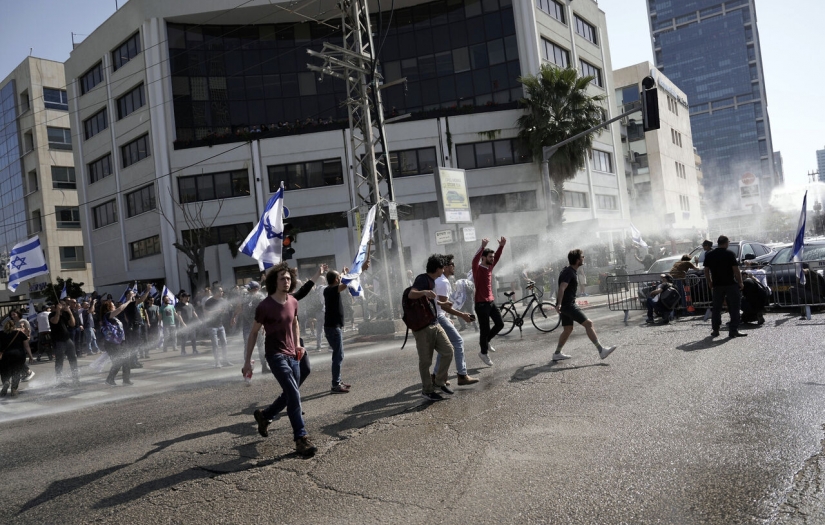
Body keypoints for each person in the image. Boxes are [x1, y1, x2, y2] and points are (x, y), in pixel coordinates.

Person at [244, 262, 317, 457]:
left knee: (291, 392)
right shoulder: (265, 306)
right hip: (275, 355)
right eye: (282, 278)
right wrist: (247, 361)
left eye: (288, 278)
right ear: (274, 282)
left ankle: (265, 415)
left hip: (293, 354)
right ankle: (301, 438)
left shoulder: (293, 301)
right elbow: (253, 333)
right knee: (293, 393)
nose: (287, 281)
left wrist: (298, 345)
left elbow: (295, 323)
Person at [552, 249, 617, 361]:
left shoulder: (569, 271)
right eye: (582, 256)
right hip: (568, 305)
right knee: (588, 324)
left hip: (566, 305)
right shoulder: (569, 272)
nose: (584, 258)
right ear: (578, 260)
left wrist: (560, 304)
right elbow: (562, 287)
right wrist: (559, 304)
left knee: (568, 329)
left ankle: (557, 353)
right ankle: (601, 350)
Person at [409, 255, 455, 401]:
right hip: (423, 327)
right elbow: (411, 294)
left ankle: (439, 382)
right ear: (437, 268)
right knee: (425, 361)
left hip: (434, 323)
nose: (444, 270)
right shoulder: (422, 279)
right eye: (443, 267)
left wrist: (443, 304)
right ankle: (427, 391)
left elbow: (431, 301)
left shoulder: (434, 280)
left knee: (448, 351)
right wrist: (424, 292)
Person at [433, 254, 478, 386]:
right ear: (445, 267)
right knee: (458, 341)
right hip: (438, 317)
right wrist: (462, 315)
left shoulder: (440, 280)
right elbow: (443, 306)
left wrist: (447, 317)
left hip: (438, 316)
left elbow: (440, 304)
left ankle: (436, 375)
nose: (454, 266)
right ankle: (462, 375)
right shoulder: (443, 282)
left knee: (445, 346)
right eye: (452, 264)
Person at [323, 263, 366, 394]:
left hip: (333, 327)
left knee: (338, 355)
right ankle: (335, 384)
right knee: (338, 356)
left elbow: (342, 281)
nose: (340, 278)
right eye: (338, 277)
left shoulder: (329, 289)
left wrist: (343, 273)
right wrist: (358, 271)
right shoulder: (331, 290)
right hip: (333, 328)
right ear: (336, 279)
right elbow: (345, 284)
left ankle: (338, 381)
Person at [472, 237, 506, 366]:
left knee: (500, 324)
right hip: (481, 304)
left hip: (491, 302)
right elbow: (474, 260)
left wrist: (501, 246)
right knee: (484, 330)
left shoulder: (490, 267)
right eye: (490, 257)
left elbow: (497, 257)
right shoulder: (477, 268)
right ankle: (483, 353)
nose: (492, 258)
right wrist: (482, 247)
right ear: (483, 258)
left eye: (493, 257)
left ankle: (486, 342)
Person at [703, 235, 746, 338]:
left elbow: (706, 270)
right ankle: (733, 330)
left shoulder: (710, 255)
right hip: (730, 284)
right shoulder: (730, 254)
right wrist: (740, 282)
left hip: (717, 285)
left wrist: (709, 281)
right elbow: (736, 269)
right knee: (734, 307)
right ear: (726, 243)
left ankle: (715, 330)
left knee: (716, 308)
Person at [233, 281, 269, 374]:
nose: (247, 290)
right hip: (247, 326)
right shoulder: (245, 297)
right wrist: (234, 316)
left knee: (261, 346)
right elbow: (240, 307)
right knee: (247, 345)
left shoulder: (261, 298)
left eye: (249, 288)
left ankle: (264, 366)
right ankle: (248, 365)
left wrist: (264, 325)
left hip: (258, 325)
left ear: (255, 289)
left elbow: (265, 312)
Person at [102, 295, 135, 386]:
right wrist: (128, 300)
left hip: (120, 342)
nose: (115, 306)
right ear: (108, 308)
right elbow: (120, 309)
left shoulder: (114, 318)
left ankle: (126, 380)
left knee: (126, 359)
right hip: (111, 344)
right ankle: (109, 379)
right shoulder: (107, 315)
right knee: (118, 361)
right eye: (113, 305)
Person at [50, 299, 80, 387]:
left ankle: (75, 379)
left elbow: (72, 324)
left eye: (64, 305)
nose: (64, 307)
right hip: (58, 341)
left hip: (67, 340)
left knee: (73, 359)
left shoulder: (65, 314)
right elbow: (55, 321)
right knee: (59, 361)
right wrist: (58, 311)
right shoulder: (52, 314)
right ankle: (59, 381)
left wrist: (70, 313)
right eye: (62, 305)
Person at [0, 319, 33, 397]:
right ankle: (14, 389)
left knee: (4, 371)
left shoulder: (0, 334)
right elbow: (26, 346)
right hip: (19, 355)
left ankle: (6, 382)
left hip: (5, 355)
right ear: (14, 326)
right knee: (16, 372)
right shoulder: (19, 333)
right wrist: (30, 356)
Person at [204, 287, 232, 368]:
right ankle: (217, 362)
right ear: (216, 292)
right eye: (220, 291)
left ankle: (225, 360)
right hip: (212, 326)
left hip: (220, 325)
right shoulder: (209, 302)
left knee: (224, 343)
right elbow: (206, 313)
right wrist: (218, 310)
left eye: (222, 291)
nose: (222, 292)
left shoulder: (222, 300)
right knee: (215, 345)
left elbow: (226, 308)